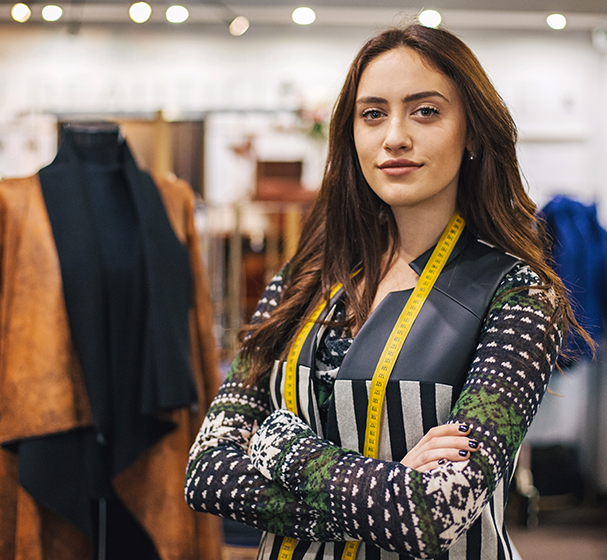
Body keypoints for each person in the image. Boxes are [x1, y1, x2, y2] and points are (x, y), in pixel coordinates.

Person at [185, 23, 590, 560]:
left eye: (425, 111)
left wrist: (278, 445)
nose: (394, 136)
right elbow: (206, 472)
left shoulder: (519, 296)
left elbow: (433, 514)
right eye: (373, 113)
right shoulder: (301, 281)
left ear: (471, 132)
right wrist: (392, 486)